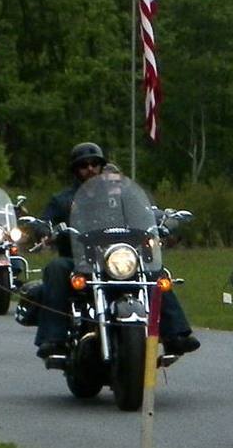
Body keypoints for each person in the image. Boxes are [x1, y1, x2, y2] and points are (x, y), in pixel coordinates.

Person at [33, 142, 200, 359]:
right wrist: (44, 230)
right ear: (75, 169)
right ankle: (53, 339)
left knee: (155, 273)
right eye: (84, 165)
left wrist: (162, 222)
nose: (90, 169)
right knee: (56, 268)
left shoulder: (121, 195)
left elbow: (145, 213)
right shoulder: (63, 199)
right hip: (80, 260)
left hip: (121, 257)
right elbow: (44, 221)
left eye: (94, 164)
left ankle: (176, 334)